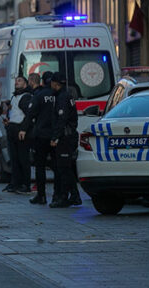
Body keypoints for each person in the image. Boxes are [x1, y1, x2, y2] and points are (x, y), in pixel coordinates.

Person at [49, 72, 81, 208]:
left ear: (55, 83)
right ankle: (74, 195)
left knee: (63, 169)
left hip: (65, 137)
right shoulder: (66, 95)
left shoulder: (62, 97)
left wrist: (55, 137)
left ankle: (64, 197)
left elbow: (62, 119)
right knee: (66, 168)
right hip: (68, 136)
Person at [28, 72, 57, 205]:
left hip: (41, 135)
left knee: (40, 166)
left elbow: (31, 113)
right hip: (56, 135)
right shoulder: (59, 95)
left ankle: (41, 195)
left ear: (43, 82)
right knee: (57, 167)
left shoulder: (39, 95)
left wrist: (25, 129)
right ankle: (58, 195)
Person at [3, 76, 33, 194]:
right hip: (12, 129)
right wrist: (8, 121)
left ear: (25, 84)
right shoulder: (14, 96)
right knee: (14, 159)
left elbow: (29, 115)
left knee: (23, 159)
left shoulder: (26, 97)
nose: (16, 82)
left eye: (19, 80)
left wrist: (24, 129)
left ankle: (25, 184)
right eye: (16, 80)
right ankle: (15, 183)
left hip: (20, 130)